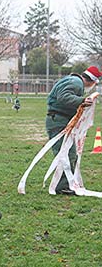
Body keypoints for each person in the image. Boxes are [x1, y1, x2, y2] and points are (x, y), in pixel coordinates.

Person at [46, 66, 102, 195]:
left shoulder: (73, 81)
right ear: (92, 81)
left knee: (68, 153)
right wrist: (82, 100)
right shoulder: (75, 83)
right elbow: (63, 97)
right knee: (67, 154)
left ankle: (65, 184)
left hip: (59, 120)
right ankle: (62, 186)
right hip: (58, 121)